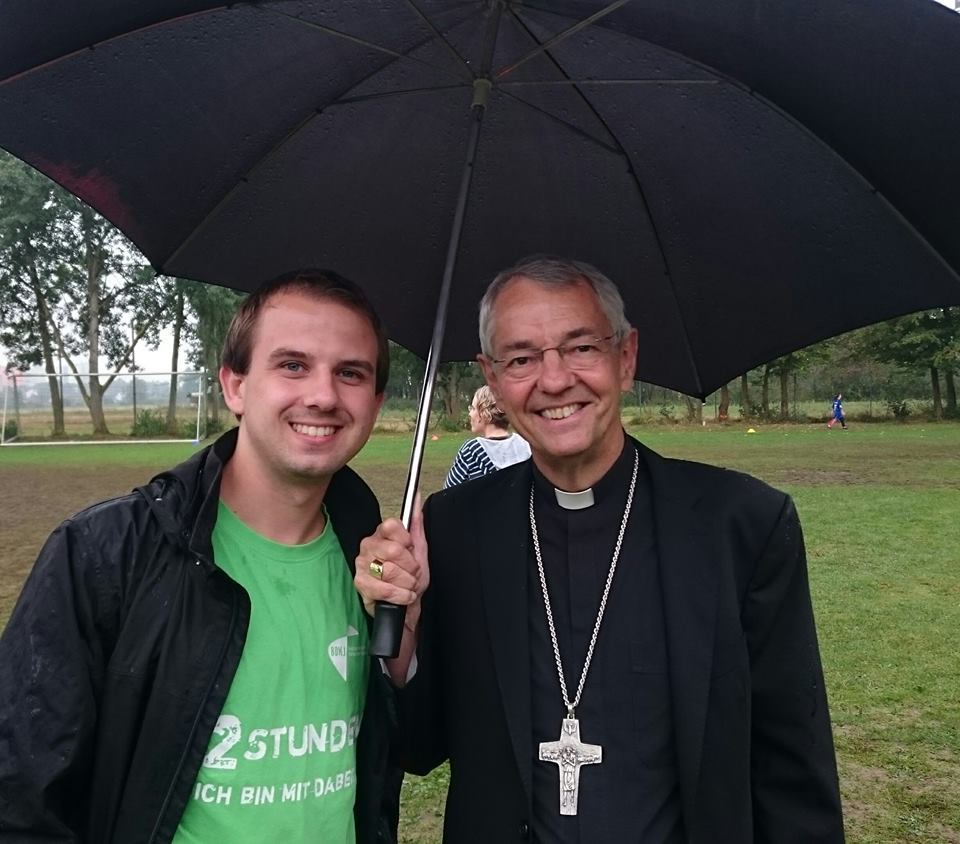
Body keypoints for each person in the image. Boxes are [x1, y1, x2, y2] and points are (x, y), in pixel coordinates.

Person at [357, 256, 844, 842]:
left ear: (627, 358)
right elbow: (419, 745)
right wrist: (403, 644)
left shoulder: (743, 526)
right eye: (521, 358)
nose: (555, 380)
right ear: (491, 376)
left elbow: (793, 767)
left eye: (582, 347)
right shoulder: (455, 526)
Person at [0, 269, 402, 843]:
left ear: (376, 401)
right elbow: (20, 798)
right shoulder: (104, 555)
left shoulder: (376, 563)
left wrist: (404, 641)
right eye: (292, 365)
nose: (322, 395)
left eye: (351, 373)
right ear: (234, 386)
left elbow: (406, 753)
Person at [444, 385, 531, 488]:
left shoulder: (471, 451)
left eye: (472, 408)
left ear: (484, 413)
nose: (470, 413)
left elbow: (448, 493)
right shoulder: (525, 445)